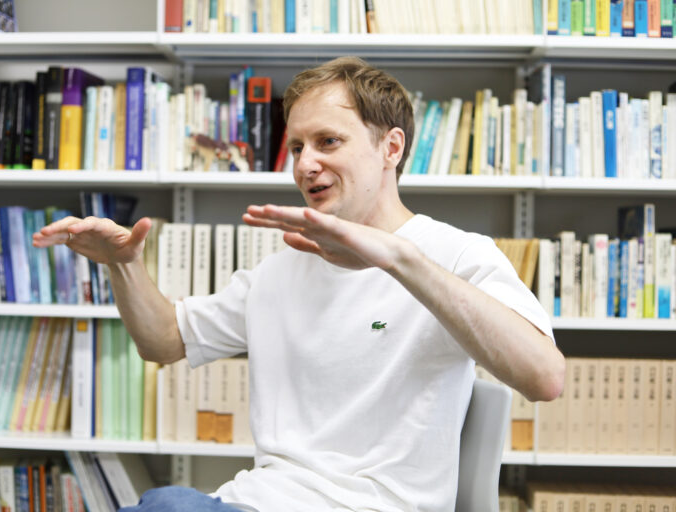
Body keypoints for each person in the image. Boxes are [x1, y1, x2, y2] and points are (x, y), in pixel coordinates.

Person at [34, 56, 565, 512]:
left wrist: (401, 260)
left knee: (168, 504)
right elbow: (164, 340)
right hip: (258, 500)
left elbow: (544, 377)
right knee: (166, 503)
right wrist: (122, 265)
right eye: (296, 147)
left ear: (391, 147)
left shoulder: (456, 255)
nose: (306, 164)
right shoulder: (282, 267)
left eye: (328, 141)